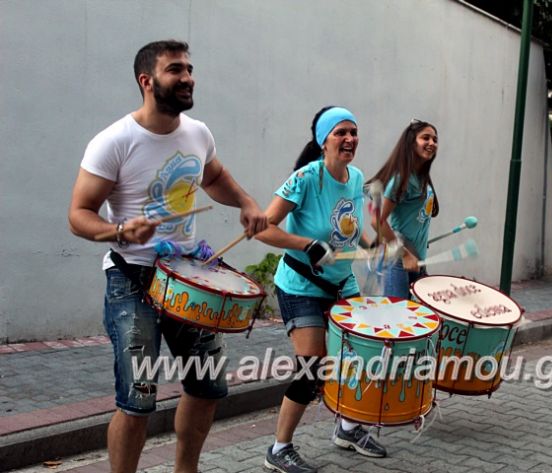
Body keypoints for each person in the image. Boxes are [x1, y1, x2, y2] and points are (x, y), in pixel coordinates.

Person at [67, 40, 268, 473]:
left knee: (208, 386)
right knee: (138, 399)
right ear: (147, 81)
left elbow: (214, 176)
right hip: (132, 280)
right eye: (175, 69)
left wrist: (247, 203)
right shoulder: (114, 141)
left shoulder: (198, 133)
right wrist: (118, 229)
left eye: (189, 69)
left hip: (189, 278)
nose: (188, 77)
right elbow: (78, 215)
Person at [255, 106, 386, 473]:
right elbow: (263, 227)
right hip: (301, 283)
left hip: (342, 282)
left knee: (357, 354)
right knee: (312, 365)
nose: (350, 139)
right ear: (323, 140)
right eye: (341, 132)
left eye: (354, 132)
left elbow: (346, 224)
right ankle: (279, 449)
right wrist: (305, 244)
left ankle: (347, 428)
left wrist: (371, 244)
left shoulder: (356, 176)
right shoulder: (305, 178)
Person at [366, 119, 439, 299]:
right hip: (399, 259)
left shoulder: (422, 177)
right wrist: (405, 254)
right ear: (411, 143)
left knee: (416, 321)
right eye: (426, 138)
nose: (432, 143)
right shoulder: (401, 179)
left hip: (416, 259)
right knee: (397, 320)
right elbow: (377, 222)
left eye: (435, 139)